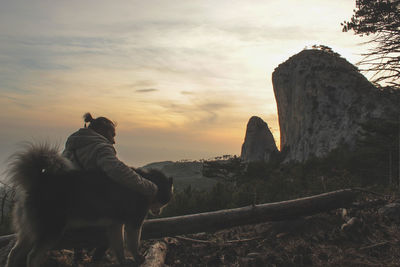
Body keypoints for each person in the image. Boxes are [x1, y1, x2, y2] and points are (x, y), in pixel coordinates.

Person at [62, 112, 158, 200]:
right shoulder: (101, 148)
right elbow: (118, 170)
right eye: (112, 135)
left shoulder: (73, 145)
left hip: (65, 199)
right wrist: (150, 187)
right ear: (101, 130)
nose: (113, 141)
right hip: (83, 204)